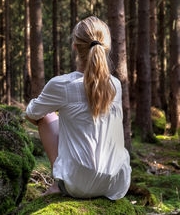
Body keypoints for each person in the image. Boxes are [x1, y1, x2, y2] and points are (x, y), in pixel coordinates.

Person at [25, 16, 131, 200]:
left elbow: (32, 113)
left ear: (75, 47)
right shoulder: (115, 85)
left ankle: (58, 183)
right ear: (106, 47)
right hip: (116, 184)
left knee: (47, 116)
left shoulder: (62, 84)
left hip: (78, 185)